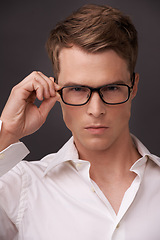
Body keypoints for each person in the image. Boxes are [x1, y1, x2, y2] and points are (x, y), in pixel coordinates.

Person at [0, 4, 160, 240]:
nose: (96, 110)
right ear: (55, 89)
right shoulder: (21, 186)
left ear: (133, 86)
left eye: (112, 88)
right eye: (76, 89)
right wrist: (7, 132)